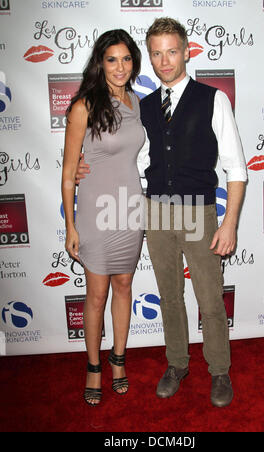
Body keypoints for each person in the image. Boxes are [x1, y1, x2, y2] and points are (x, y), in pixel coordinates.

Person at [76, 17, 247, 408]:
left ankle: (219, 370)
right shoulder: (142, 105)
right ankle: (177, 364)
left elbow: (236, 168)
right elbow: (131, 160)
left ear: (187, 51)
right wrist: (86, 168)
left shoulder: (212, 99)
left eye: (172, 51)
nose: (165, 60)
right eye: (156, 53)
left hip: (198, 212)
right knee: (169, 296)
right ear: (149, 57)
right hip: (155, 212)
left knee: (209, 298)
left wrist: (230, 223)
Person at [61, 29, 145, 407]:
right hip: (95, 212)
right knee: (96, 295)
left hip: (130, 209)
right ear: (100, 62)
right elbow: (67, 172)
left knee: (124, 286)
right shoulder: (84, 106)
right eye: (112, 59)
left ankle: (118, 360)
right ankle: (93, 366)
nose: (120, 67)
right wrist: (70, 226)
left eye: (126, 59)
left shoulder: (136, 102)